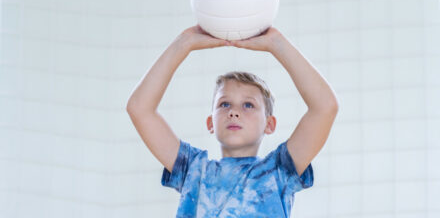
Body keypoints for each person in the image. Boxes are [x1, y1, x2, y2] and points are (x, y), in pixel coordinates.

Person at [126, 25, 339, 217]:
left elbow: (325, 107)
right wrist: (184, 43)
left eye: (248, 105)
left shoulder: (279, 172)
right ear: (210, 123)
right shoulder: (193, 171)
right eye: (224, 104)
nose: (234, 112)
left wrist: (277, 44)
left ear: (269, 124)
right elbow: (139, 108)